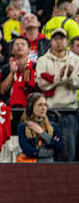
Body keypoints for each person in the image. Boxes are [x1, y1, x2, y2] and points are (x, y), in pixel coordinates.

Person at [34, 28, 79, 162]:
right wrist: (59, 78)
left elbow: (77, 83)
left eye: (62, 39)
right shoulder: (42, 60)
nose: (59, 42)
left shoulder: (76, 60)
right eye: (55, 39)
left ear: (67, 42)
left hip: (69, 111)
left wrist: (69, 77)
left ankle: (69, 181)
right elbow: (40, 84)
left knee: (69, 149)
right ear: (51, 42)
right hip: (48, 111)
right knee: (48, 149)